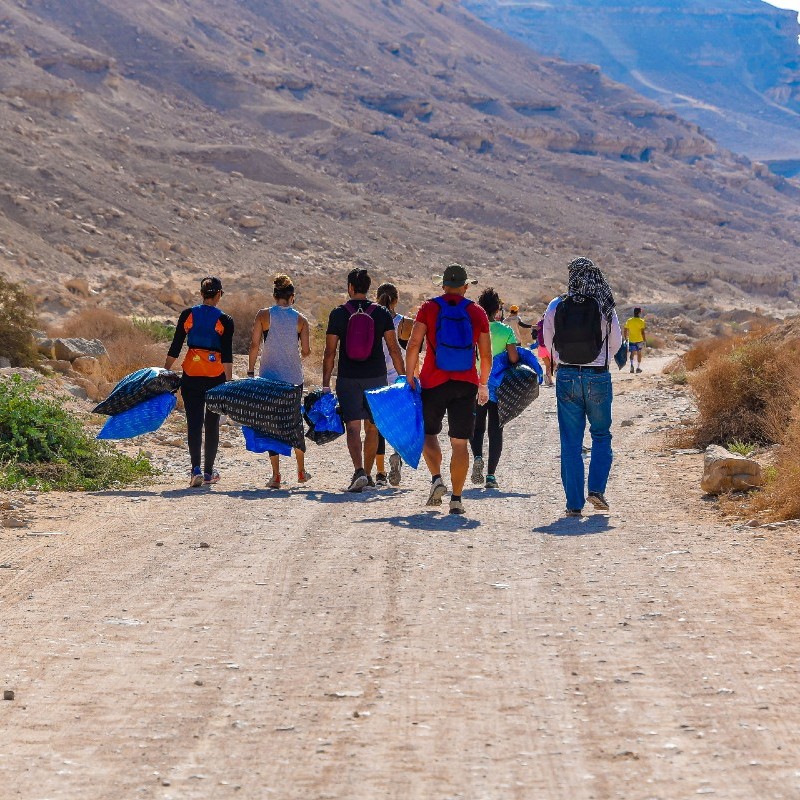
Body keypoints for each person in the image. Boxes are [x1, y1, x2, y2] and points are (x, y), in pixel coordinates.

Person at [404, 263, 492, 515]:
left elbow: (413, 345)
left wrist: (410, 376)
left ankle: (436, 479)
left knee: (429, 433)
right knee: (460, 443)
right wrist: (483, 383)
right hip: (466, 384)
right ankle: (456, 499)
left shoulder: (429, 308)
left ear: (443, 285)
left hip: (433, 381)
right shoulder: (477, 312)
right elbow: (485, 355)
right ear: (465, 286)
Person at [542, 257, 622, 517]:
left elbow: (548, 341)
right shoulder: (604, 305)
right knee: (601, 434)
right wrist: (599, 361)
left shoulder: (556, 305)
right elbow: (617, 343)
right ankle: (596, 489)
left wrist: (563, 362)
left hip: (565, 377)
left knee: (570, 441)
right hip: (597, 376)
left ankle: (574, 503)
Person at [323, 269, 405, 493]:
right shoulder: (380, 313)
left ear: (350, 287)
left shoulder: (338, 313)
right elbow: (393, 348)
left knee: (352, 426)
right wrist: (403, 376)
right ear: (368, 288)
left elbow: (329, 352)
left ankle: (358, 470)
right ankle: (368, 475)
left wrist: (324, 384)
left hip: (348, 377)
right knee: (372, 427)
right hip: (376, 376)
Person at [165, 276, 234, 487]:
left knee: (193, 422)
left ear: (202, 294)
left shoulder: (188, 315)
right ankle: (209, 473)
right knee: (211, 424)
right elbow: (227, 354)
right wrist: (229, 383)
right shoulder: (225, 320)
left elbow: (176, 346)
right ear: (219, 294)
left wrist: (164, 372)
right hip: (215, 378)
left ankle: (195, 469)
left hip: (191, 375)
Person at [248, 274, 312, 488]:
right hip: (294, 378)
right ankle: (301, 471)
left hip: (268, 377)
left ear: (275, 296)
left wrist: (250, 371)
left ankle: (276, 475)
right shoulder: (301, 320)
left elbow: (254, 345)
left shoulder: (263, 315)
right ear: (292, 297)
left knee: (271, 424)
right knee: (295, 423)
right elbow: (306, 351)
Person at [470, 288, 519, 490]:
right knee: (495, 430)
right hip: (499, 388)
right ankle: (491, 476)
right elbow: (514, 358)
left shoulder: (473, 328)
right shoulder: (506, 331)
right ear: (497, 310)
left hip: (476, 384)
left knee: (477, 426)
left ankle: (478, 457)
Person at [374, 282, 414, 487]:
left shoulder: (371, 320)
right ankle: (397, 455)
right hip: (399, 380)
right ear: (396, 300)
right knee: (400, 424)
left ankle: (379, 472)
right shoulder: (405, 324)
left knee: (378, 426)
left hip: (376, 379)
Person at [624, 307, 647, 374]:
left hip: (631, 340)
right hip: (639, 340)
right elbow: (642, 332)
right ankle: (638, 368)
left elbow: (625, 330)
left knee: (632, 353)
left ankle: (631, 366)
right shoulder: (641, 321)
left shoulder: (629, 320)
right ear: (639, 312)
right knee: (639, 353)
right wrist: (644, 340)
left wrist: (625, 338)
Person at [535, 316, 555, 387]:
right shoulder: (550, 323)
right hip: (549, 347)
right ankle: (548, 377)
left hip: (541, 348)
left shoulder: (539, 323)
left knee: (548, 365)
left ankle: (549, 380)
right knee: (554, 364)